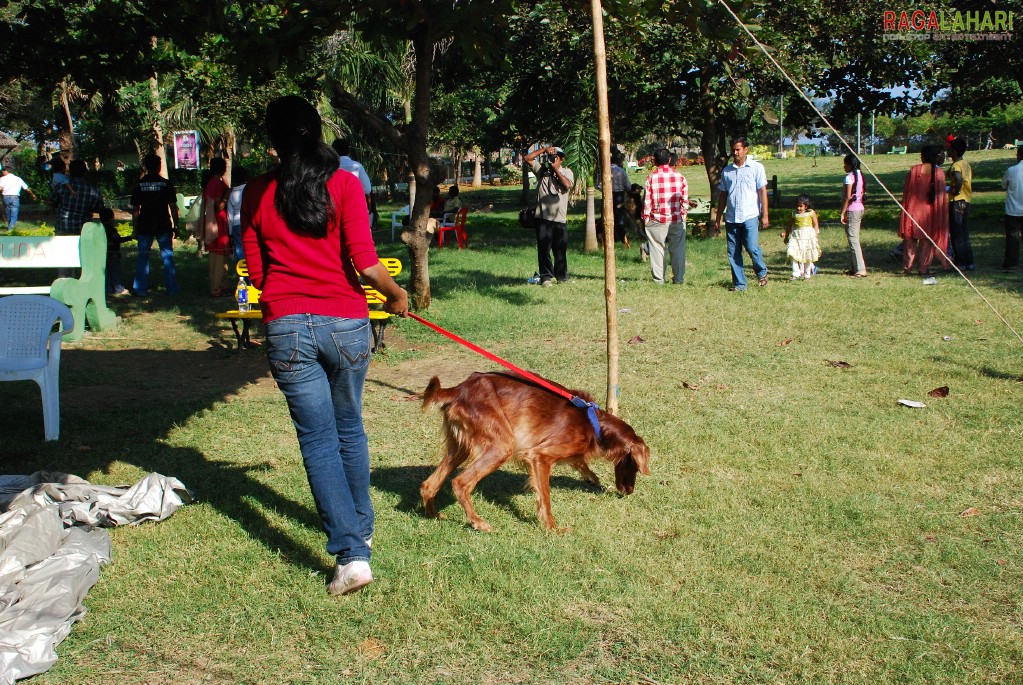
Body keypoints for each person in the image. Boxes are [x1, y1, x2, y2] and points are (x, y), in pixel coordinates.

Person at [241, 95, 408, 596]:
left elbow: (255, 269)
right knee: (349, 428)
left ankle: (351, 552)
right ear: (316, 132)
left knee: (318, 440)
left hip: (288, 327)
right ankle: (361, 531)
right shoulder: (344, 183)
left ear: (273, 142)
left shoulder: (253, 193)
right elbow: (365, 260)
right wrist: (397, 294)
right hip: (347, 326)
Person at [713, 136, 770, 291]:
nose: (735, 152)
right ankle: (740, 284)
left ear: (746, 150)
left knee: (751, 247)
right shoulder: (727, 171)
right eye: (733, 150)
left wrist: (765, 214)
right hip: (732, 217)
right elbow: (723, 195)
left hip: (750, 215)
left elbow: (762, 191)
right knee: (733, 252)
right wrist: (718, 218)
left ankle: (761, 272)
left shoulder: (756, 168)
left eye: (738, 149)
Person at [130, 153, 180, 297]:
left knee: (143, 257)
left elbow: (135, 209)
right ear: (159, 167)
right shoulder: (166, 184)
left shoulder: (139, 185)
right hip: (163, 224)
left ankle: (140, 289)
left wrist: (135, 229)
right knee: (167, 257)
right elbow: (173, 206)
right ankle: (172, 288)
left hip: (145, 225)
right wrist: (175, 225)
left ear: (145, 167)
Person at [525, 145, 574, 286]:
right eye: (551, 156)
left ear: (561, 159)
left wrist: (555, 170)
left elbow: (567, 185)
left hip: (560, 218)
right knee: (544, 250)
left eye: (556, 157)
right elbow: (527, 158)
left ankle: (562, 277)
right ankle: (546, 277)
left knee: (560, 250)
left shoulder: (567, 171)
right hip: (543, 218)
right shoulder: (542, 171)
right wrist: (544, 150)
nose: (553, 159)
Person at [898, 145, 949, 276]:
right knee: (927, 242)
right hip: (930, 213)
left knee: (910, 241)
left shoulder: (914, 171)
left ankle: (907, 267)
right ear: (935, 157)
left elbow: (907, 192)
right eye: (941, 154)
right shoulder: (939, 173)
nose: (943, 157)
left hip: (913, 210)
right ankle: (923, 268)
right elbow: (941, 197)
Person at [641, 148, 688, 284]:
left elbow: (647, 201)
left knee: (657, 249)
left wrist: (646, 218)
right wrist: (683, 216)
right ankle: (678, 279)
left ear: (654, 161)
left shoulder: (651, 178)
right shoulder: (680, 177)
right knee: (678, 250)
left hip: (656, 219)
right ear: (669, 160)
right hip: (676, 220)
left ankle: (659, 279)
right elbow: (684, 201)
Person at [201, 158, 231, 296]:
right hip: (218, 223)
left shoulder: (211, 182)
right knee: (218, 257)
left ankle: (221, 285)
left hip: (213, 222)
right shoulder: (217, 184)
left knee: (219, 256)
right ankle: (216, 288)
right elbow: (218, 206)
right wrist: (227, 196)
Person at [51, 159, 104, 236]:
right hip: (84, 230)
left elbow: (51, 201)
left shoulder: (61, 186)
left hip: (64, 228)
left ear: (70, 171)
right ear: (85, 171)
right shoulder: (94, 189)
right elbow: (100, 208)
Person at [947, 138, 974, 270]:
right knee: (964, 231)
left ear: (954, 151)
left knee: (956, 232)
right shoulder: (966, 164)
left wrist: (954, 190)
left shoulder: (956, 165)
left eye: (949, 149)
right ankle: (969, 261)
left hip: (957, 201)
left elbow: (958, 178)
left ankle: (960, 263)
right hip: (966, 199)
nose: (947, 151)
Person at [839, 154, 868, 277]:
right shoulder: (860, 176)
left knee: (853, 240)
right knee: (854, 238)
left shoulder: (849, 178)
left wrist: (842, 212)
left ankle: (861, 269)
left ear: (850, 165)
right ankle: (854, 267)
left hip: (852, 210)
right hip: (860, 208)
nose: (844, 167)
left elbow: (847, 197)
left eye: (845, 164)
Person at [596, 151, 632, 245]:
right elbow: (628, 186)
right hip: (619, 196)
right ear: (619, 161)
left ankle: (606, 239)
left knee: (605, 217)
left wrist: (605, 190)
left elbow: (598, 186)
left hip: (607, 196)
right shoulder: (622, 171)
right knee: (619, 218)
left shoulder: (604, 171)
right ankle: (622, 239)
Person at [782, 194, 821, 280]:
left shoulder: (811, 213)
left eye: (801, 206)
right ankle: (795, 272)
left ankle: (807, 274)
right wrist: (786, 236)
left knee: (807, 255)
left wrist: (815, 236)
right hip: (796, 236)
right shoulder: (794, 214)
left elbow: (815, 224)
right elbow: (789, 225)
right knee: (792, 253)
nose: (798, 208)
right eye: (797, 206)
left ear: (806, 206)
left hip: (807, 237)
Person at [98, 207, 133, 295]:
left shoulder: (100, 229)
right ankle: (119, 289)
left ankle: (108, 289)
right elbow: (117, 240)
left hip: (103, 254)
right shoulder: (111, 229)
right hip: (114, 254)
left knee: (106, 272)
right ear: (111, 218)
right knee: (115, 271)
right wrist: (130, 237)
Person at [1001, 145, 1023, 270]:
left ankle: (1011, 263)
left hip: (1013, 210)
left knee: (1012, 238)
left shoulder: (1011, 170)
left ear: (1019, 156)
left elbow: (1004, 185)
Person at [332, 139, 372, 207]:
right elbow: (367, 189)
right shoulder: (357, 166)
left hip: (334, 206)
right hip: (354, 205)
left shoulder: (328, 168)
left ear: (333, 151)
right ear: (348, 151)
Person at [0, 165, 37, 232]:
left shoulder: (2, 179)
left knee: (8, 213)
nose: (2, 173)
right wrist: (32, 195)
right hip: (14, 197)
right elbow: (26, 188)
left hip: (6, 197)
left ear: (6, 171)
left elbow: (0, 188)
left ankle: (10, 227)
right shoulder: (18, 179)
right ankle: (11, 229)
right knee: (14, 214)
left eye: (2, 171)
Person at [227, 167, 250, 262]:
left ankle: (241, 274)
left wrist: (230, 233)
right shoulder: (250, 189)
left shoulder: (231, 193)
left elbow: (230, 216)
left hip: (236, 224)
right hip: (249, 222)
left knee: (239, 249)